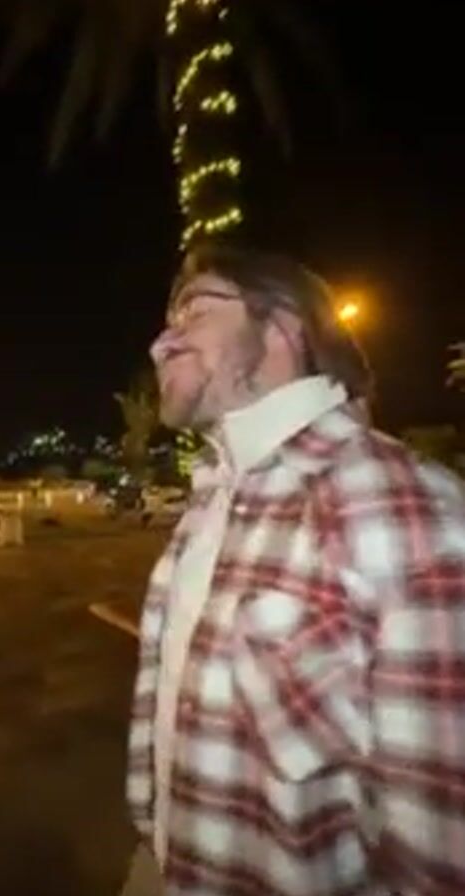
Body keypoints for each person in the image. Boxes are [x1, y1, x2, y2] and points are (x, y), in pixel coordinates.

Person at [124, 241, 465, 896]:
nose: (160, 344)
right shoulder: (216, 495)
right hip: (168, 862)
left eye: (194, 311)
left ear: (283, 328)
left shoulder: (402, 508)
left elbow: (438, 852)